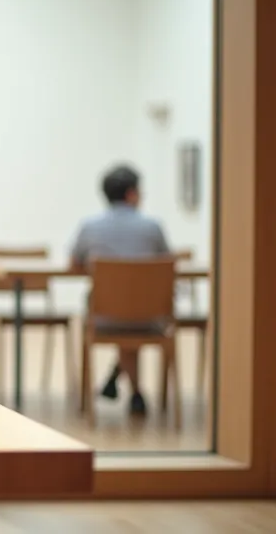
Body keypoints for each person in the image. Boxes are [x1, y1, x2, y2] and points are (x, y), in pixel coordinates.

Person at [68, 164, 172, 416]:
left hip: (104, 317)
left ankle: (121, 383)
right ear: (131, 193)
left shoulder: (89, 227)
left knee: (122, 310)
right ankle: (133, 391)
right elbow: (167, 263)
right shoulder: (153, 227)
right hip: (150, 316)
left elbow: (73, 264)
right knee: (133, 308)